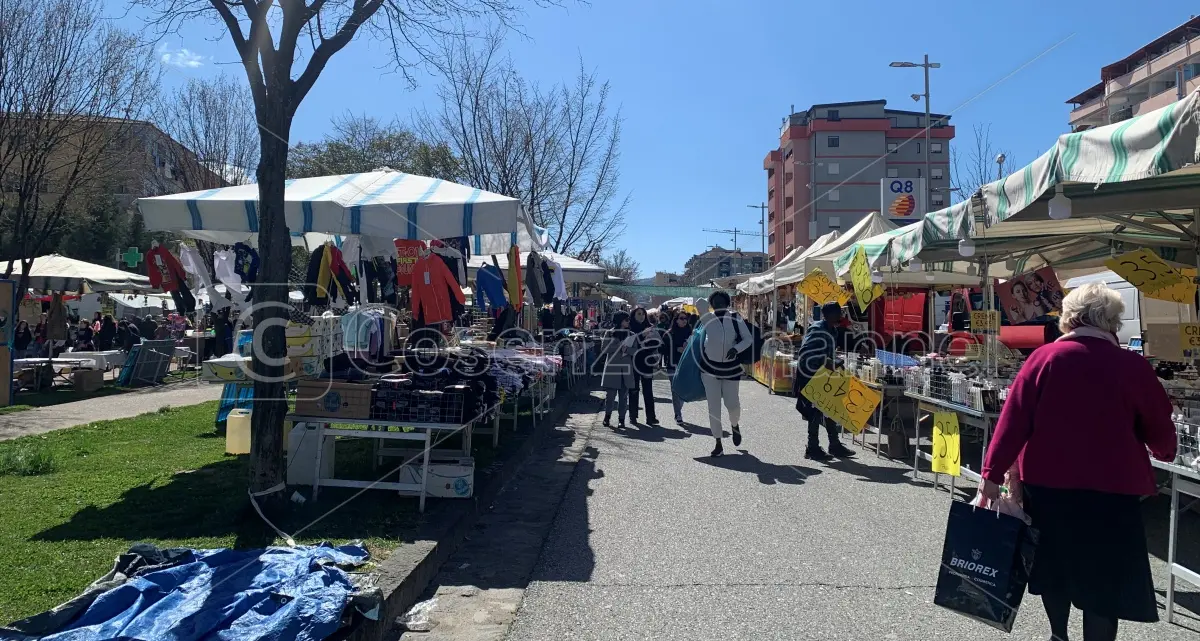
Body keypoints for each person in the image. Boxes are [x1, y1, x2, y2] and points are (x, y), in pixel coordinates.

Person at [981, 283, 1176, 641]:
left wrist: (991, 475)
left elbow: (1013, 421)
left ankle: (1058, 635)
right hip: (1114, 489)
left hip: (1048, 486)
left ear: (1069, 318)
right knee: (1104, 579)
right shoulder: (1131, 365)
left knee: (1054, 568)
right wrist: (1165, 452)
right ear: (1112, 322)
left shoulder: (1043, 359)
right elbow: (1159, 424)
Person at [792, 301, 858, 461]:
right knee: (814, 412)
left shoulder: (832, 330)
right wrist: (828, 362)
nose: (841, 315)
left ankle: (834, 445)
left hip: (824, 375)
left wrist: (836, 363)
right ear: (830, 315)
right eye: (838, 312)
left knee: (831, 408)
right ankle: (812, 447)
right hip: (811, 375)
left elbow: (828, 353)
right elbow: (807, 353)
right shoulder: (818, 329)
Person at [697, 291, 752, 457]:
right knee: (713, 407)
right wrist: (709, 301)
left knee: (732, 404)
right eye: (716, 302)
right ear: (712, 304)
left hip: (731, 368)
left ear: (727, 303)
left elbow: (748, 339)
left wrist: (736, 349)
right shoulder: (707, 318)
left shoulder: (735, 318)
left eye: (722, 301)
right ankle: (718, 442)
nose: (719, 304)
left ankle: (735, 424)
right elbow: (699, 303)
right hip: (709, 368)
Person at [598, 311, 636, 428]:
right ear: (620, 320)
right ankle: (607, 416)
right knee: (610, 396)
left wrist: (627, 350)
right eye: (626, 320)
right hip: (612, 368)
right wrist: (618, 346)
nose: (628, 322)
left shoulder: (631, 334)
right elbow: (604, 349)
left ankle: (621, 419)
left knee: (623, 397)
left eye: (628, 320)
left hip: (625, 369)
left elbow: (635, 351)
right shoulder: (609, 333)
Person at [627, 306, 660, 425]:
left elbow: (657, 344)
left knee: (648, 390)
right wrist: (642, 335)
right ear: (633, 315)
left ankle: (651, 417)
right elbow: (629, 344)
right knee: (633, 390)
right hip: (633, 362)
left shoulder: (650, 328)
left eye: (643, 314)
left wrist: (650, 339)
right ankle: (633, 416)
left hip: (646, 362)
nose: (641, 316)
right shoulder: (629, 328)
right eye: (639, 314)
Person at [661, 311, 694, 424]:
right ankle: (678, 414)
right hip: (672, 364)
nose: (684, 320)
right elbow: (663, 350)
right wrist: (676, 349)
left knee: (684, 389)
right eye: (681, 318)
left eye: (686, 318)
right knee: (675, 389)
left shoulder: (691, 333)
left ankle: (678, 408)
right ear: (676, 320)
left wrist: (688, 348)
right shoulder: (669, 334)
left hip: (687, 365)